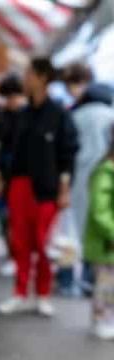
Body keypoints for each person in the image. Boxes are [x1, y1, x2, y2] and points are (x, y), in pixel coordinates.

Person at [0, 58, 79, 317]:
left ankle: (43, 294)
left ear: (42, 77)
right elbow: (8, 150)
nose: (25, 78)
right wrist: (3, 178)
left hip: (47, 189)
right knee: (20, 243)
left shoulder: (60, 114)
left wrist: (64, 189)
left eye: (29, 73)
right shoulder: (21, 115)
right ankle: (20, 293)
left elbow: (68, 154)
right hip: (19, 185)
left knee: (43, 244)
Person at [64, 64, 114, 296]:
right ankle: (92, 282)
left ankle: (72, 281)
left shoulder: (75, 115)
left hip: (78, 179)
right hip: (104, 175)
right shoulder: (110, 115)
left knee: (73, 230)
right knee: (99, 230)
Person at [0, 74, 25, 276]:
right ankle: (12, 254)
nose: (10, 102)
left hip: (17, 177)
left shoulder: (27, 117)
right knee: (4, 218)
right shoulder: (2, 116)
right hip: (3, 175)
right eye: (7, 98)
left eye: (13, 97)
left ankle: (16, 257)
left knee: (15, 220)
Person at [84, 134, 114, 339]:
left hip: (107, 240)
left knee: (107, 284)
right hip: (106, 242)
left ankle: (104, 319)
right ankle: (101, 319)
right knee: (105, 284)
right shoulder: (106, 172)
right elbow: (99, 210)